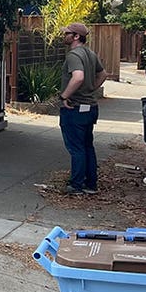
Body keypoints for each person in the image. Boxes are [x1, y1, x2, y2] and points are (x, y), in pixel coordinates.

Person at [58, 22, 107, 195]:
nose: (64, 36)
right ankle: (91, 184)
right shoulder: (91, 54)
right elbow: (103, 74)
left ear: (76, 36)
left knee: (76, 148)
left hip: (75, 107)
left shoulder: (74, 55)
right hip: (90, 107)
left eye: (67, 34)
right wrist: (92, 88)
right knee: (87, 146)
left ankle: (76, 185)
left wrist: (64, 95)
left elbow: (78, 77)